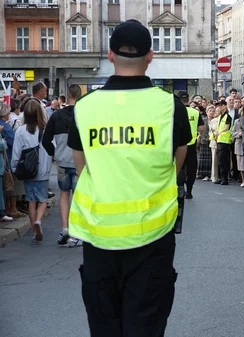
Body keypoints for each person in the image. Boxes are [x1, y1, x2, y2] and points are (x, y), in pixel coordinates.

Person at [66, 20, 191, 336]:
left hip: (98, 236)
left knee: (104, 327)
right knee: (145, 327)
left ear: (110, 55)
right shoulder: (169, 106)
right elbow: (176, 163)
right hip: (153, 235)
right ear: (150, 56)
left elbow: (83, 169)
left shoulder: (85, 107)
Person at [42, 84, 82, 247]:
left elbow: (45, 140)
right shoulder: (83, 114)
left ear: (66, 96)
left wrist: (54, 153)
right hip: (80, 163)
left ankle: (64, 228)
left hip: (62, 162)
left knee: (64, 194)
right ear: (79, 96)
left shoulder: (57, 115)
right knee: (79, 197)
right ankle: (76, 232)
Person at [12, 100, 52, 242]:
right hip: (43, 170)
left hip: (28, 171)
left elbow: (16, 152)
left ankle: (34, 231)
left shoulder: (21, 131)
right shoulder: (45, 129)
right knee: (42, 200)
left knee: (31, 200)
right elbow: (51, 149)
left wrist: (14, 167)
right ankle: (39, 221)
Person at [177, 91, 203, 199]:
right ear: (188, 100)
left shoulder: (175, 111)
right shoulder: (195, 112)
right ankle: (189, 191)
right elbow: (201, 128)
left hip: (179, 144)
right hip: (191, 144)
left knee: (180, 167)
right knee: (191, 169)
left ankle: (181, 187)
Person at [215, 98, 233, 185]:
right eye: (219, 105)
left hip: (224, 141)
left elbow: (227, 127)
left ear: (225, 106)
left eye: (221, 105)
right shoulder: (220, 117)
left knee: (223, 160)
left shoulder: (227, 116)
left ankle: (225, 178)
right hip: (219, 140)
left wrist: (219, 133)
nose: (219, 107)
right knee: (220, 160)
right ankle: (221, 177)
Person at [196, 105, 212, 181]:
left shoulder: (215, 120)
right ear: (207, 112)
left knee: (209, 159)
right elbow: (201, 130)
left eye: (213, 111)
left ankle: (208, 174)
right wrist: (206, 138)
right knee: (202, 158)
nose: (211, 113)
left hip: (212, 141)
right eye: (210, 111)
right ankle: (201, 174)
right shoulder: (204, 120)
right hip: (204, 140)